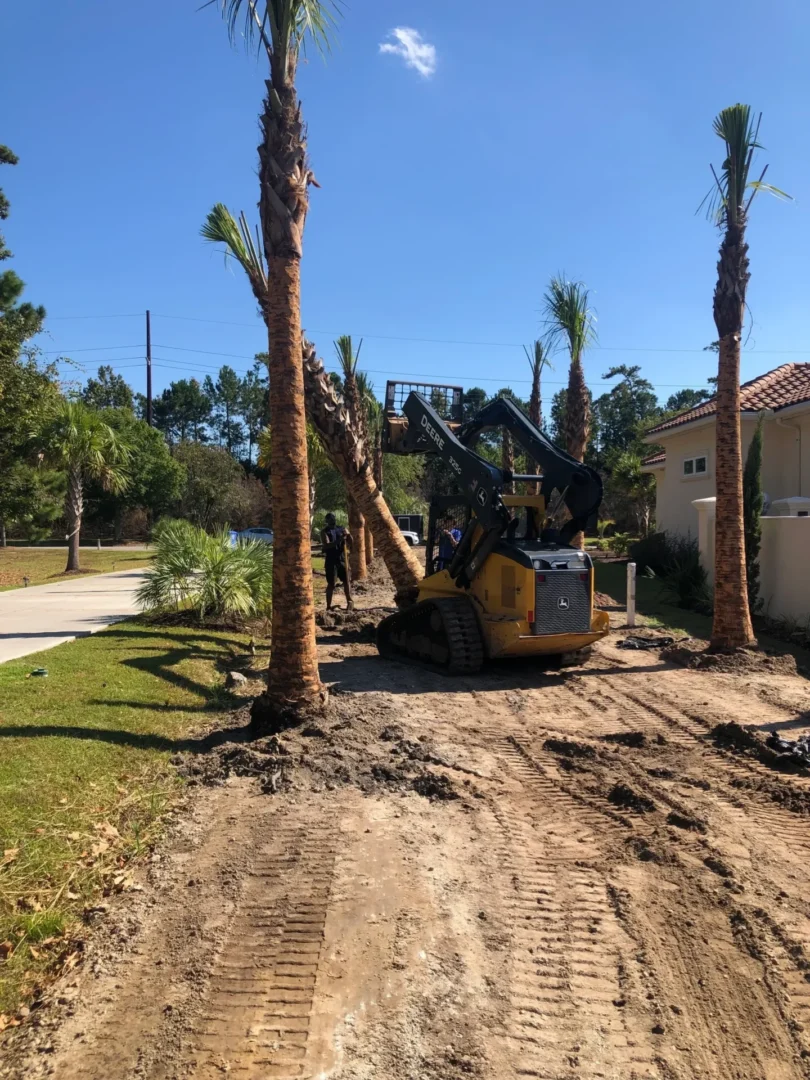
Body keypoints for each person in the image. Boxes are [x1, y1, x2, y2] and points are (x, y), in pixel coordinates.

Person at [321, 512, 353, 611]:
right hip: (331, 560)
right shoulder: (325, 532)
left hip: (342, 559)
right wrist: (339, 540)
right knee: (331, 584)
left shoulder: (341, 529)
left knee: (346, 581)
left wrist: (348, 535)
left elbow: (350, 541)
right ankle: (328, 606)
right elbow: (326, 545)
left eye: (333, 518)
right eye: (329, 518)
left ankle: (349, 601)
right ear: (326, 521)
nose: (332, 519)